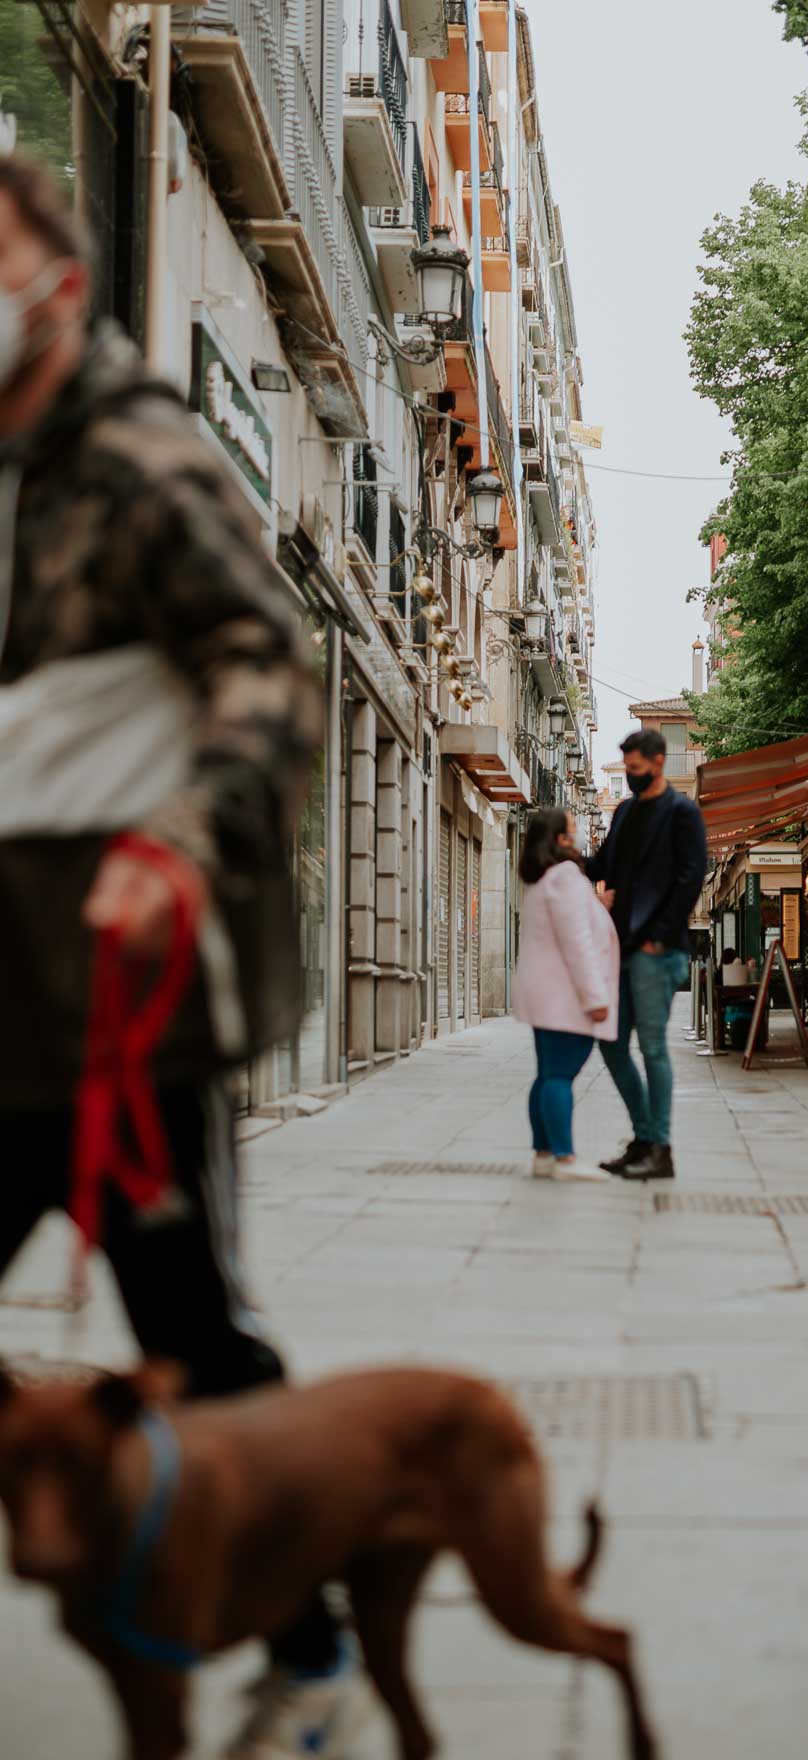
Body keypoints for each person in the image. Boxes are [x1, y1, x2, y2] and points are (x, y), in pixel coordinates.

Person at [0, 156, 360, 1757]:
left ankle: (314, 1654)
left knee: (193, 1343)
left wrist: (181, 839)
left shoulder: (144, 460)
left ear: (57, 286)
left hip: (131, 1006)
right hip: (0, 984)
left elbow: (270, 670)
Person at [586, 728, 708, 1181]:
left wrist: (660, 934)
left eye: (635, 770)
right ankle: (644, 1137)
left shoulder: (683, 813)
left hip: (657, 951)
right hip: (621, 949)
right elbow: (603, 865)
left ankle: (661, 1148)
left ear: (657, 763)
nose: (631, 777)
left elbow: (691, 877)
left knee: (653, 1047)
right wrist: (564, 857)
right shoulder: (624, 812)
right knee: (612, 1043)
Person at [512, 808, 617, 1183]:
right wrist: (596, 997)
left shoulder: (545, 880)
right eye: (575, 829)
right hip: (564, 996)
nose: (582, 834)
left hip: (545, 995)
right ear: (561, 839)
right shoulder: (567, 878)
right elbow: (577, 943)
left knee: (547, 1075)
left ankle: (543, 1154)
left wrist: (596, 906)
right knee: (559, 1076)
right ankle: (564, 1158)